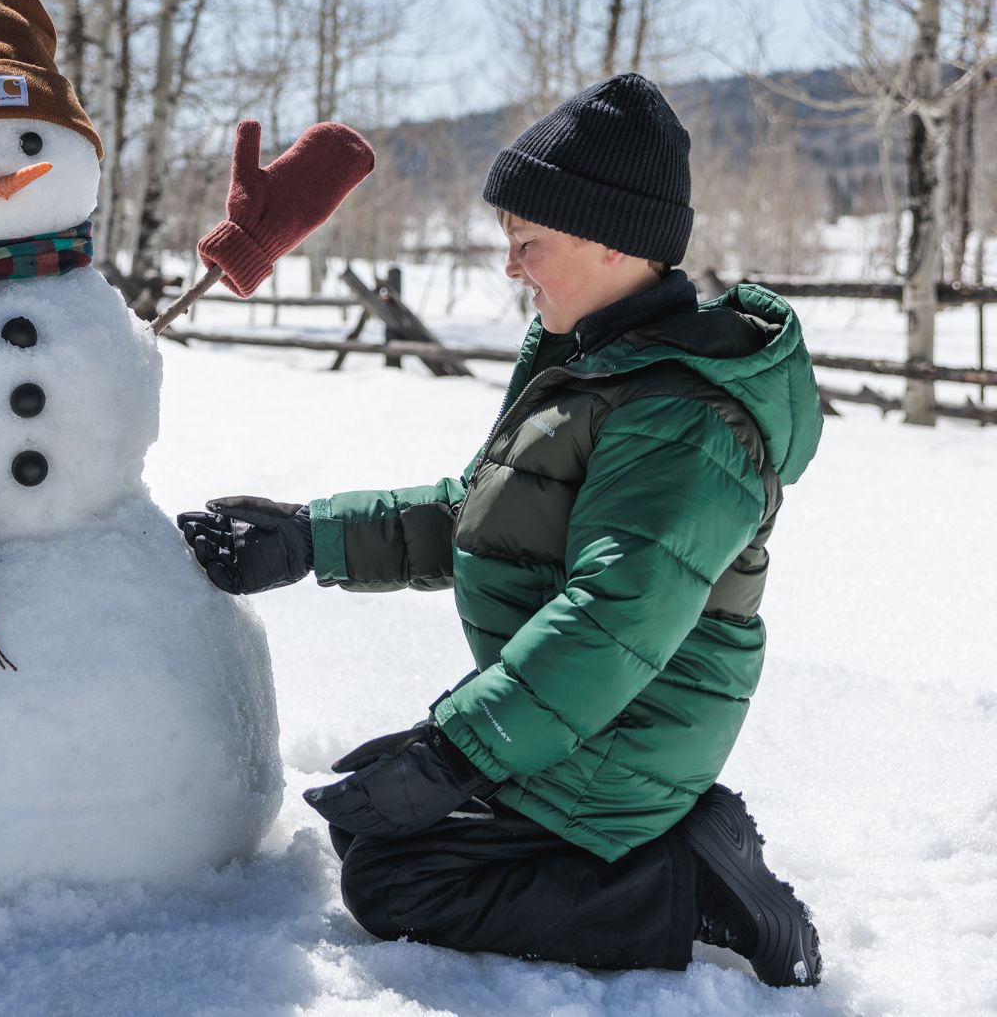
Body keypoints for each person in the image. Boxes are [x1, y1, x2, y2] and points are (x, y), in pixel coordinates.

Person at [178, 73, 825, 987]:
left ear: (611, 245)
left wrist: (453, 757)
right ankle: (670, 834)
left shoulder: (682, 421)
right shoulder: (601, 368)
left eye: (529, 244)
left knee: (394, 877)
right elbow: (485, 517)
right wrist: (306, 537)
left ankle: (686, 886)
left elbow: (610, 622)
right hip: (594, 708)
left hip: (627, 725)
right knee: (368, 794)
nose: (511, 269)